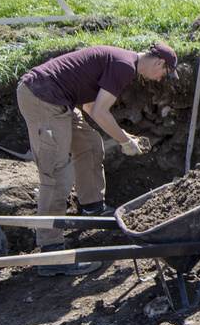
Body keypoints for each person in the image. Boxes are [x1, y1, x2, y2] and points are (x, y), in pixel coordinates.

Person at [16, 43, 178, 275]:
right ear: (159, 62)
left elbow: (91, 106)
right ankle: (51, 252)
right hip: (43, 97)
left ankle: (93, 208)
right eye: (165, 73)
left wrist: (125, 138)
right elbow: (100, 112)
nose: (161, 79)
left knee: (90, 144)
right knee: (55, 175)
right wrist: (125, 142)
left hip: (59, 98)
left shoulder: (124, 63)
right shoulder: (124, 66)